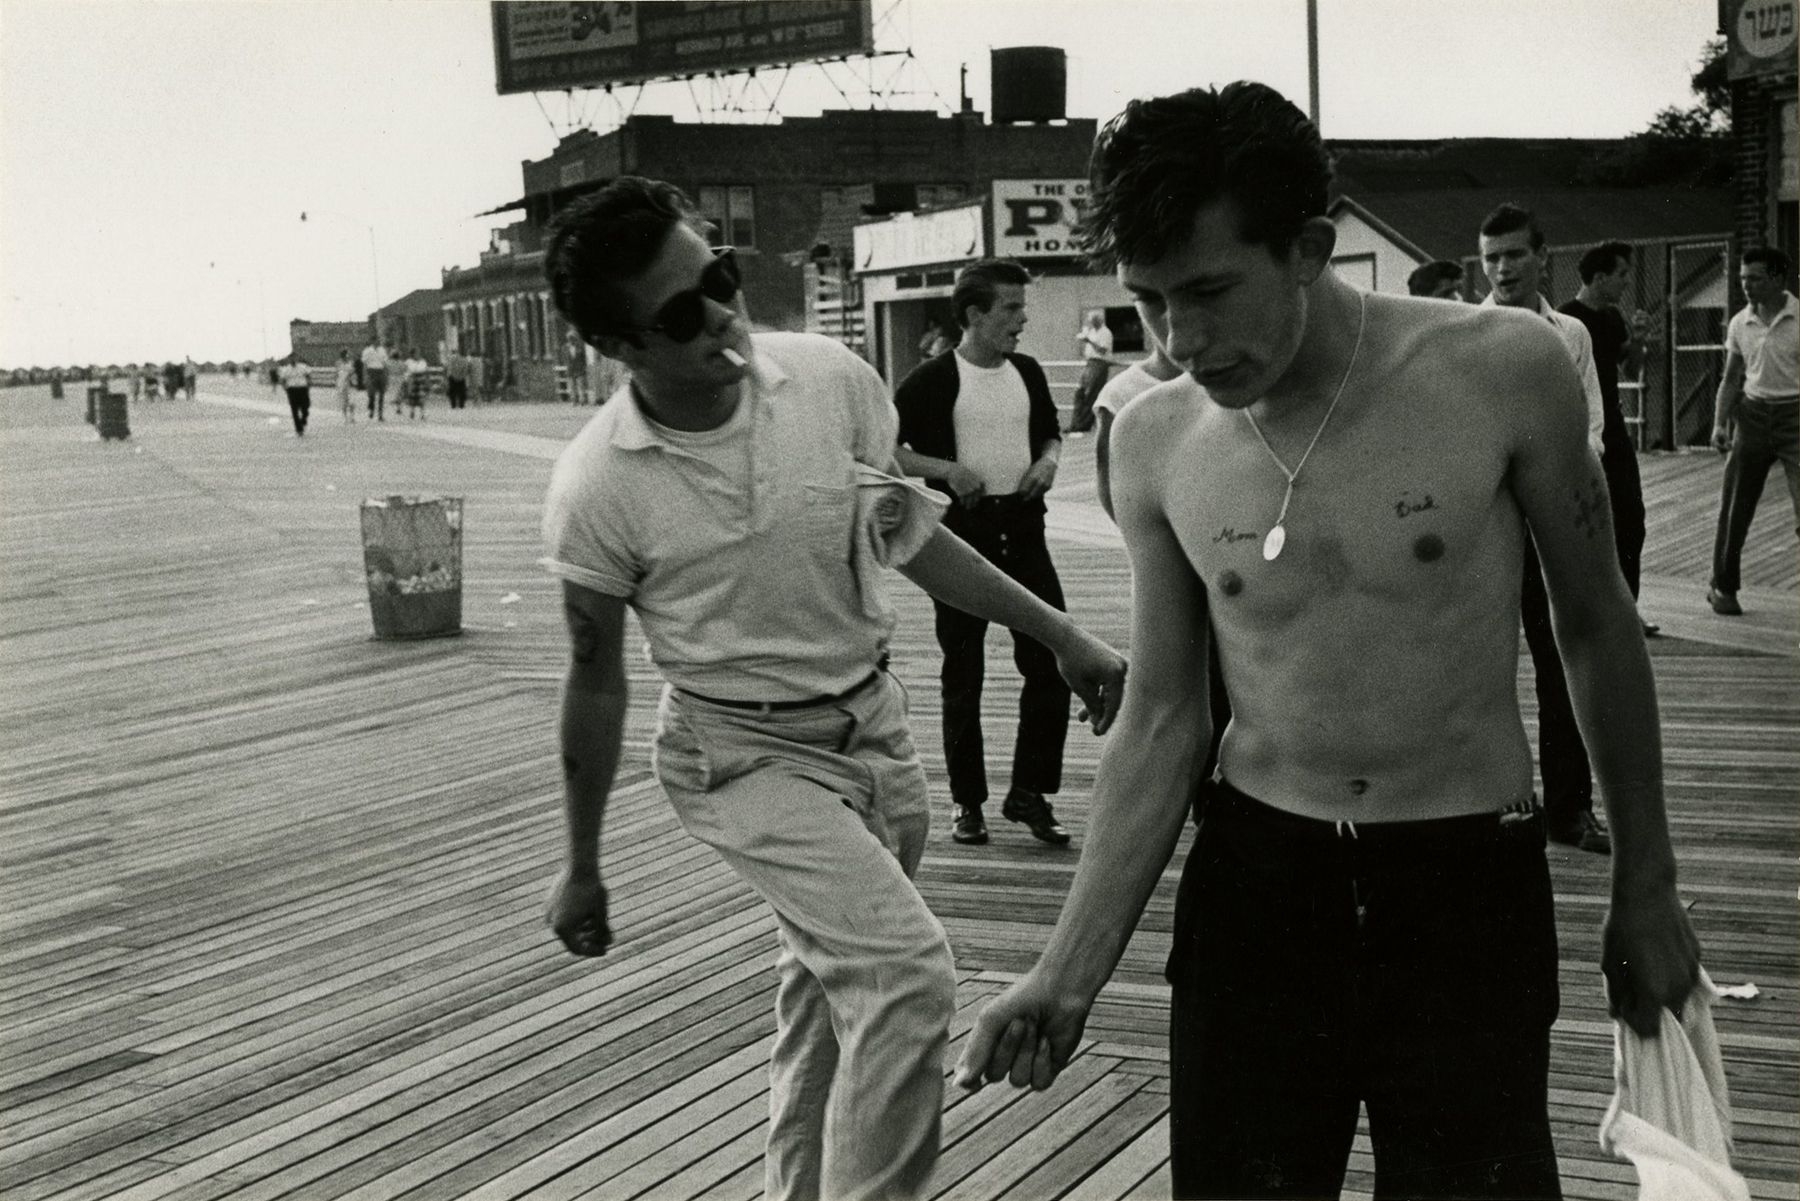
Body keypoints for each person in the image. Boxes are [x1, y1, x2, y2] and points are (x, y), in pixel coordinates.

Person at [957, 82, 1701, 1201]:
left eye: (1210, 291)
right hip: (1260, 882)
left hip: (1463, 879)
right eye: (1150, 302)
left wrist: (1646, 880)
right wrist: (1065, 972)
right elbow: (1165, 712)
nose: (1182, 342)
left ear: (1309, 246)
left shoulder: (1502, 372)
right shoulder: (1155, 435)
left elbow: (1593, 627)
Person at [538, 176, 1126, 1201]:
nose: (723, 318)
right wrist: (581, 865)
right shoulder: (599, 484)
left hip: (873, 735)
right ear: (622, 347)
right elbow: (594, 682)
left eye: (719, 280)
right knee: (904, 973)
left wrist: (1063, 635)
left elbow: (907, 535)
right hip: (738, 755)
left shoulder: (828, 380)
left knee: (824, 983)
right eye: (683, 314)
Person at [893, 259, 1076, 849]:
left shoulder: (1027, 371)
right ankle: (966, 802)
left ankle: (1030, 793)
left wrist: (1047, 462)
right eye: (1011, 309)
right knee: (964, 671)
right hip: (963, 533)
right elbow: (885, 451)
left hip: (1023, 527)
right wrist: (946, 469)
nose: (1022, 321)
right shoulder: (930, 380)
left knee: (1052, 658)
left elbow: (1051, 431)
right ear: (974, 315)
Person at [1479, 202, 1614, 854]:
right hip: (1486, 528)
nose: (1503, 268)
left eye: (1515, 254)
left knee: (1563, 666)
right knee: (1479, 666)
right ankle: (1488, 805)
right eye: (1492, 257)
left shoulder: (1572, 337)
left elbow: (1591, 429)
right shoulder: (1461, 333)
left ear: (1542, 257)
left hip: (1552, 523)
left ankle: (1570, 809)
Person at [1559, 241, 1655, 633]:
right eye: (1621, 274)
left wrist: (1640, 340)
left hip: (1613, 433)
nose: (1627, 282)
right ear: (1599, 278)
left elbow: (1630, 369)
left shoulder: (1613, 317)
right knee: (1581, 527)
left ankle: (1625, 612)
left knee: (1631, 520)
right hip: (1574, 435)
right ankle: (1582, 612)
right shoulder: (1565, 321)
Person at [1707, 246, 1798, 617]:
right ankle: (1723, 588)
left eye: (1756, 278)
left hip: (1796, 416)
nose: (1747, 285)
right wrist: (1717, 424)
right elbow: (1730, 379)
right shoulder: (1739, 323)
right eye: (1743, 278)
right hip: (1753, 416)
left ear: (1778, 279)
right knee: (1734, 508)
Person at [1065, 308, 1114, 434]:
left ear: (1098, 320)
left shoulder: (1106, 333)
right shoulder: (1092, 331)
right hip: (1090, 362)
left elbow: (1103, 351)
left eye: (1092, 320)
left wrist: (1089, 341)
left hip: (1099, 363)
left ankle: (1083, 425)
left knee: (1090, 393)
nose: (1091, 323)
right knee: (1080, 392)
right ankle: (1075, 424)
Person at [278, 354, 312, 436]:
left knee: (306, 407)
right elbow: (282, 379)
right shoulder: (286, 369)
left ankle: (304, 419)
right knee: (295, 410)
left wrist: (309, 385)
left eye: (294, 358)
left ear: (297, 358)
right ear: (289, 360)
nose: (293, 360)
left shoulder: (303, 367)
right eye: (291, 359)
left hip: (302, 389)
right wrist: (285, 388)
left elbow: (308, 376)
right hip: (292, 390)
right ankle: (299, 429)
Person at [360, 337, 389, 420]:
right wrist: (364, 376)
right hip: (371, 371)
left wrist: (385, 374)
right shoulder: (367, 351)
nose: (377, 342)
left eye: (378, 341)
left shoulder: (382, 350)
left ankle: (380, 414)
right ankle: (371, 409)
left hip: (380, 371)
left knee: (381, 394)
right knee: (372, 393)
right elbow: (364, 364)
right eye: (375, 341)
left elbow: (385, 363)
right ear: (372, 342)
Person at [564, 334, 590, 404]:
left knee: (580, 385)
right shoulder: (566, 348)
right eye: (569, 339)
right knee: (572, 386)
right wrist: (567, 368)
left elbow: (584, 358)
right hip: (571, 369)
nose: (571, 341)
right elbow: (565, 359)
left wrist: (584, 367)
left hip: (579, 369)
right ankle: (574, 400)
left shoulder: (580, 347)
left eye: (572, 339)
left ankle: (582, 400)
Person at [403, 348, 428, 419]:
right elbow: (406, 371)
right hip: (412, 379)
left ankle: (422, 414)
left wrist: (426, 381)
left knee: (421, 398)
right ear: (412, 354)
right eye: (415, 353)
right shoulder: (408, 362)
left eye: (418, 353)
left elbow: (425, 371)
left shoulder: (423, 361)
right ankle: (412, 411)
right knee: (412, 397)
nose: (417, 354)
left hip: (421, 380)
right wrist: (406, 380)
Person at [334, 349, 356, 423]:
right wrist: (337, 384)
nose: (348, 356)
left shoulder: (350, 362)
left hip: (349, 384)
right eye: (347, 354)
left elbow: (352, 372)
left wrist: (352, 379)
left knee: (352, 401)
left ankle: (352, 417)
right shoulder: (338, 363)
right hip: (341, 384)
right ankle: (345, 418)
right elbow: (337, 373)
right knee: (344, 402)